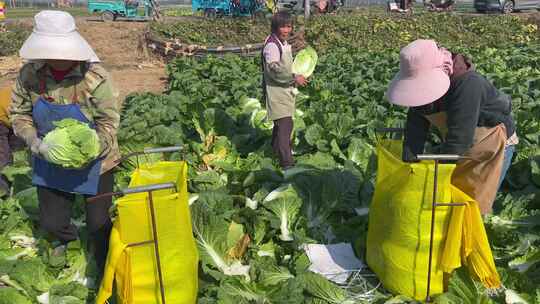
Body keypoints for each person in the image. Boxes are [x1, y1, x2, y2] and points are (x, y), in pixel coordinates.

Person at [10, 10, 120, 272]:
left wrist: (92, 148)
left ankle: (105, 264)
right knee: (51, 222)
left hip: (98, 162)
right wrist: (33, 141)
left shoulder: (96, 77)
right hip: (50, 155)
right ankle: (67, 239)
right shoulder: (29, 75)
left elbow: (109, 123)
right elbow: (19, 114)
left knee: (99, 224)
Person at [386, 39, 518, 214]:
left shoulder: (468, 84)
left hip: (492, 146)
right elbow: (415, 124)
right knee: (451, 199)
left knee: (473, 206)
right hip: (457, 147)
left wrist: (437, 177)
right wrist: (410, 163)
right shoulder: (422, 94)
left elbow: (460, 138)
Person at [262, 12, 308, 170]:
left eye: (288, 26)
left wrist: (297, 74)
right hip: (277, 93)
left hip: (284, 92)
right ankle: (287, 164)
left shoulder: (282, 42)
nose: (286, 30)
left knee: (280, 126)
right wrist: (294, 78)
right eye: (282, 26)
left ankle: (273, 154)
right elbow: (274, 70)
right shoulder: (272, 46)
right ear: (275, 27)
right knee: (285, 126)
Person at [0, 87, 25, 196]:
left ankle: (16, 191)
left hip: (16, 122)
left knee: (19, 156)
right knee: (3, 158)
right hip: (2, 119)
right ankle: (3, 194)